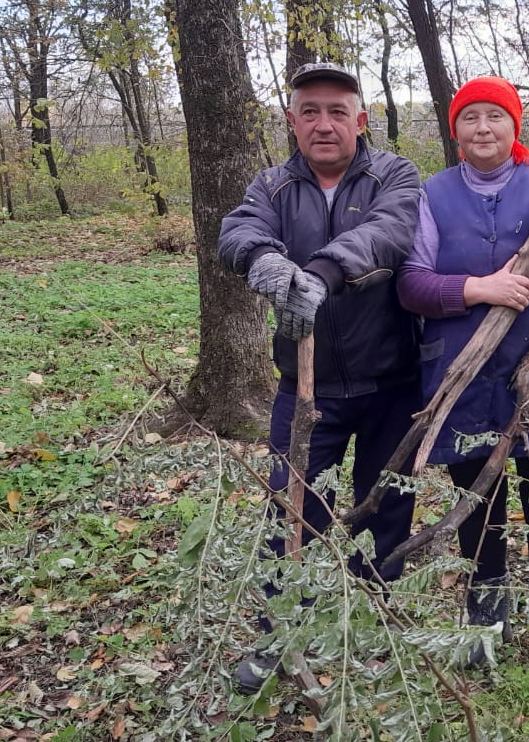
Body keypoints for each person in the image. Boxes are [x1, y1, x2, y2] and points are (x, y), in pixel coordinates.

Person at [397, 76, 529, 678]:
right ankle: (485, 627)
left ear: (515, 126)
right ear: (454, 129)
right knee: (477, 506)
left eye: (495, 116)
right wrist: (476, 288)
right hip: (464, 375)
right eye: (470, 118)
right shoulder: (432, 194)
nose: (482, 128)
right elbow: (411, 284)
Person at [218, 62, 421, 694]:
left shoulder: (394, 174)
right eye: (310, 111)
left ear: (361, 120)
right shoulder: (273, 186)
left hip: (392, 381)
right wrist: (267, 263)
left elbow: (391, 232)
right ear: (292, 121)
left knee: (387, 505)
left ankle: (374, 619)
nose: (324, 123)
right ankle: (281, 633)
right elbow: (238, 229)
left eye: (338, 111)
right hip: (306, 389)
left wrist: (324, 271)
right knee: (293, 510)